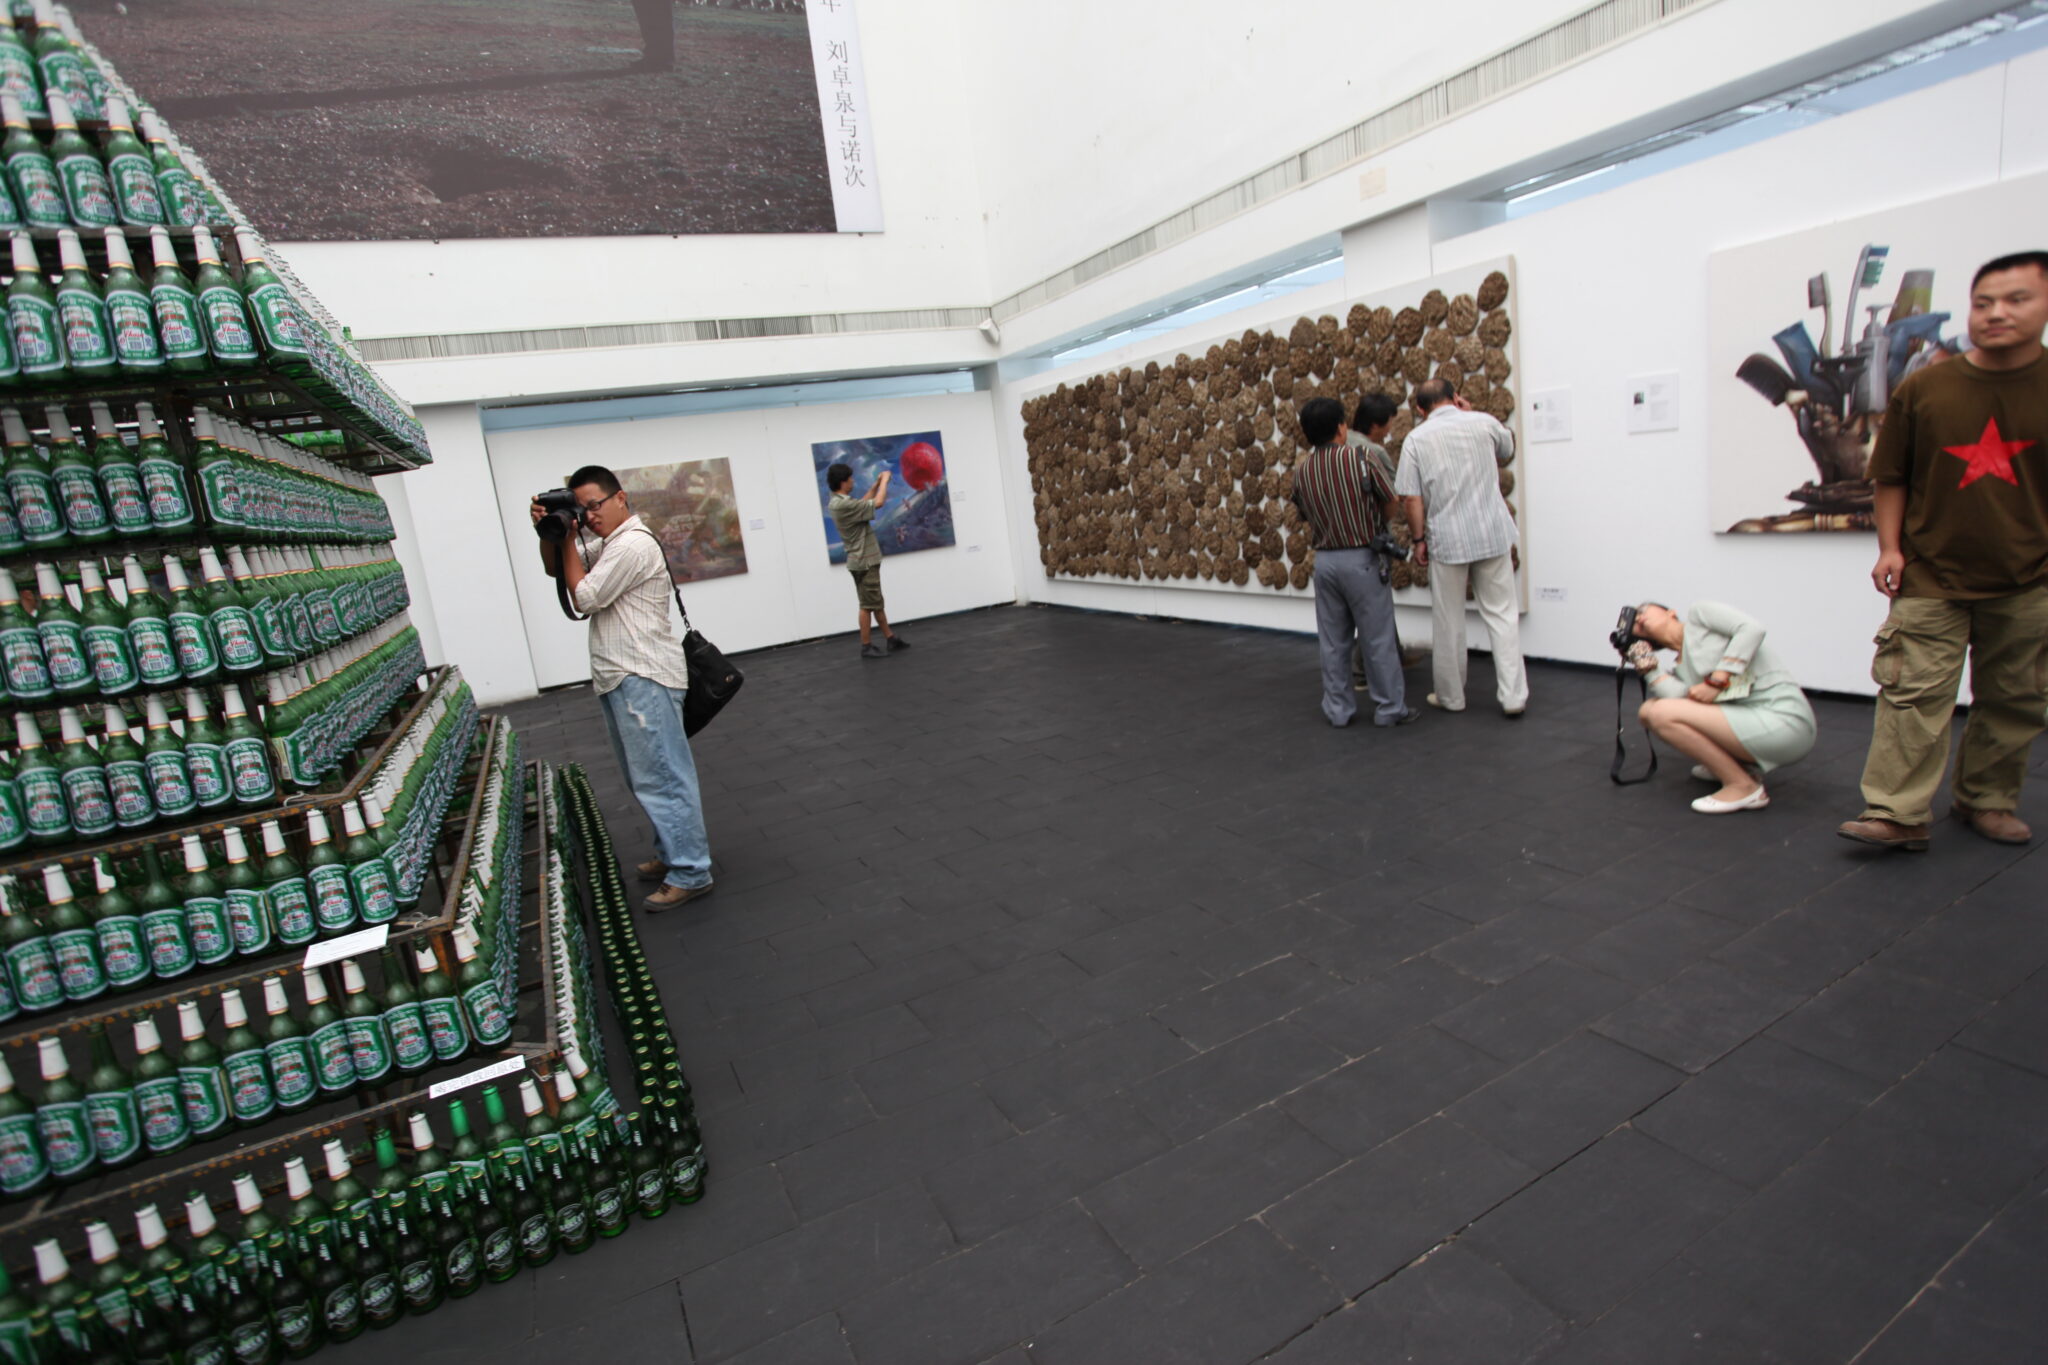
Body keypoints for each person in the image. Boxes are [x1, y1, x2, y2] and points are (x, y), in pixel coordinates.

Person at [1838, 250, 2048, 851]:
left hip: (2029, 576)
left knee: (2014, 698)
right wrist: (1888, 548)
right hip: (1930, 573)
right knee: (1912, 694)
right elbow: (1891, 476)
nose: (1996, 314)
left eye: (2016, 300)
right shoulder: (1926, 388)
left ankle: (1988, 800)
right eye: (1984, 303)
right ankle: (1896, 813)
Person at [533, 466, 715, 911]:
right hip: (624, 674)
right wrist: (549, 531)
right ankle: (672, 852)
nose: (589, 515)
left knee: (664, 779)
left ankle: (691, 871)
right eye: (582, 508)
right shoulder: (610, 543)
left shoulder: (632, 543)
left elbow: (586, 597)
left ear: (621, 498)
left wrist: (571, 534)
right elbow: (555, 567)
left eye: (594, 505)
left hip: (643, 675)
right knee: (647, 776)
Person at [1394, 377, 1528, 716]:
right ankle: (1513, 697)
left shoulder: (1416, 438)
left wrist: (1419, 539)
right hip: (1491, 532)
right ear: (1456, 397)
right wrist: (1472, 411)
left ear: (1421, 409)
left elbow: (1411, 496)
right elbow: (1507, 449)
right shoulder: (1484, 422)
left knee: (1448, 619)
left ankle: (1452, 696)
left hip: (1447, 538)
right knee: (1502, 616)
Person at [1624, 601, 1817, 814]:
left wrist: (1717, 679)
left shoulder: (1700, 616)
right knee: (1650, 711)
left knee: (1659, 712)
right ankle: (1738, 770)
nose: (1639, 619)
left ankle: (1743, 787)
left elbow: (1751, 629)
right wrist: (1647, 666)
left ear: (1671, 613)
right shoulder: (1681, 667)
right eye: (1636, 626)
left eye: (1642, 611)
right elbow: (1676, 700)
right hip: (1752, 721)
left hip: (1785, 722)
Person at [1291, 395, 1414, 727]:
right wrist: (1375, 524)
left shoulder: (1302, 471)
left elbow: (1304, 514)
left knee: (1332, 642)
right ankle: (1390, 708)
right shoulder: (1360, 458)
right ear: (1341, 427)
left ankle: (1338, 710)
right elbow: (1390, 500)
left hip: (1325, 562)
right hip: (1362, 557)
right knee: (1377, 638)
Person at [827, 461, 910, 660]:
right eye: (850, 479)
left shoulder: (838, 502)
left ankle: (890, 638)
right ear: (843, 482)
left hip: (860, 560)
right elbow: (878, 503)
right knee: (867, 605)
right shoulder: (842, 504)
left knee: (875, 602)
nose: (853, 481)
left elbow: (862, 503)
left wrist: (874, 486)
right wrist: (885, 483)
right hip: (864, 561)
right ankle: (866, 646)